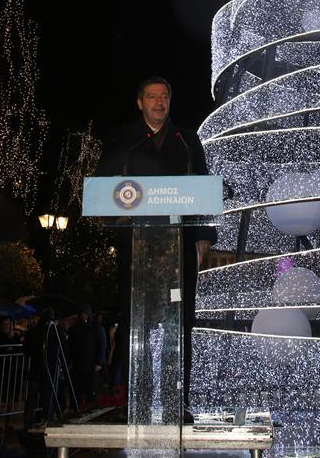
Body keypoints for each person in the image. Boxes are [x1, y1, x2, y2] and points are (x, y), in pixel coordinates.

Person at [95, 76, 217, 420]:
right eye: (152, 96)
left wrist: (203, 235)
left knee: (180, 325)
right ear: (140, 103)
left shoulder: (187, 140)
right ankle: (137, 400)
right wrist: (117, 220)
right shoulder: (123, 140)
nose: (159, 102)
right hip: (137, 249)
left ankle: (178, 402)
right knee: (137, 324)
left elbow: (203, 188)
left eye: (164, 96)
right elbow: (103, 189)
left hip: (180, 248)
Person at [67, 305, 103, 407]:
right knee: (77, 391)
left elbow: (102, 346)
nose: (84, 316)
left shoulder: (96, 328)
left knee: (90, 391)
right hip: (78, 365)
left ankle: (89, 409)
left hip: (91, 365)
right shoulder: (74, 329)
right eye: (82, 314)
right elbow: (70, 346)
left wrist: (99, 362)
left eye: (85, 314)